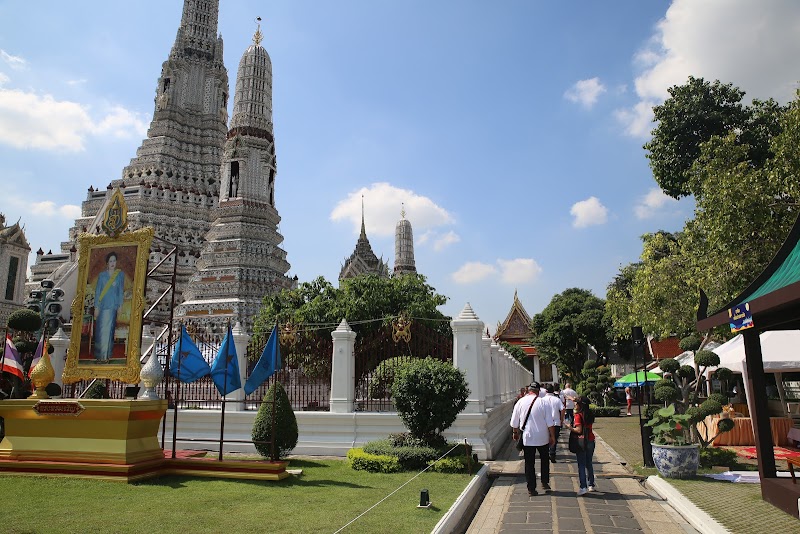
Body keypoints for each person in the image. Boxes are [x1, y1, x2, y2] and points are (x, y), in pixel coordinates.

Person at [510, 381, 557, 496]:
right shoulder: (543, 402)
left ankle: (531, 488)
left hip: (528, 437)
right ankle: (544, 482)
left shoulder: (520, 402)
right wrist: (552, 436)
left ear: (528, 390)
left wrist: (515, 433)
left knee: (529, 463)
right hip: (543, 437)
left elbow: (514, 422)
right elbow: (550, 423)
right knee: (544, 460)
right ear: (538, 391)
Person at [93, 251, 125, 362]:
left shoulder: (120, 275)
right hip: (102, 306)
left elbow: (120, 291)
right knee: (101, 332)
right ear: (107, 263)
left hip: (112, 307)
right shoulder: (102, 276)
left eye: (114, 261)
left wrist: (120, 305)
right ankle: (99, 356)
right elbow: (98, 291)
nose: (112, 263)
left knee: (109, 331)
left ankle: (106, 356)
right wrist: (96, 306)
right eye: (110, 261)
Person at [568, 395, 596, 496]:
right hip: (591, 439)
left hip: (581, 441)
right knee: (589, 462)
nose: (575, 404)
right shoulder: (590, 414)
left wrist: (570, 427)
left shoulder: (578, 415)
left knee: (581, 464)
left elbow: (578, 430)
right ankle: (591, 484)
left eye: (576, 403)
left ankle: (583, 487)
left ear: (580, 405)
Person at [545, 383, 564, 463]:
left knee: (545, 439)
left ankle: (546, 454)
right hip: (556, 422)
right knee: (554, 439)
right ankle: (552, 453)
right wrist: (561, 419)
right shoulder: (557, 399)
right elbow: (563, 409)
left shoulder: (542, 400)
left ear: (546, 391)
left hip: (545, 423)